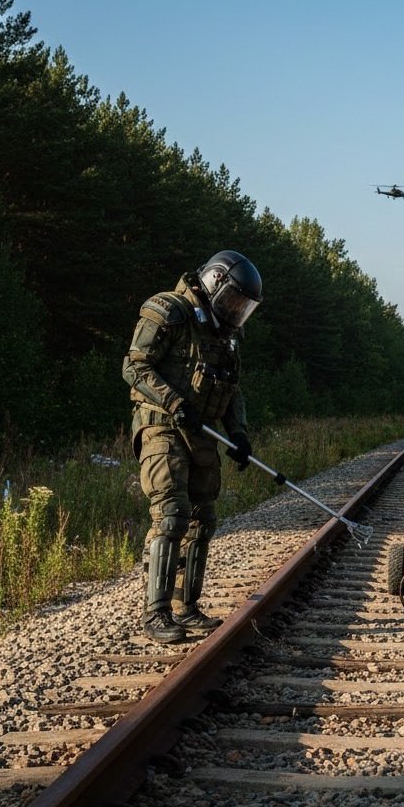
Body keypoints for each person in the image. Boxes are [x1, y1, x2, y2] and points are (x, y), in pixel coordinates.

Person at [122, 250, 262, 643]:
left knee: (203, 519)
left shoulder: (227, 335)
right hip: (162, 425)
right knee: (171, 514)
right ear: (215, 283)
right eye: (234, 300)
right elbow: (134, 367)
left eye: (244, 306)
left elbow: (232, 391)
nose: (237, 311)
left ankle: (188, 608)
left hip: (201, 431)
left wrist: (238, 433)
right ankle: (157, 613)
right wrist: (174, 402)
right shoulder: (169, 311)